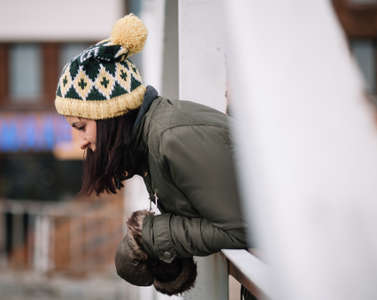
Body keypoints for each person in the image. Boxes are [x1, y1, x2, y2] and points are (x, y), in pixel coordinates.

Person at [54, 14, 248, 295]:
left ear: (109, 114)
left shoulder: (170, 138)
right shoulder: (150, 143)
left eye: (81, 127)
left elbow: (240, 228)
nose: (81, 142)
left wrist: (152, 235)